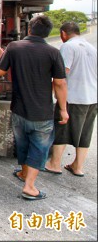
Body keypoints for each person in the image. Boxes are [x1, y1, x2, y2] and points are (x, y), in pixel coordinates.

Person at [0, 14, 68, 201]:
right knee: (39, 148)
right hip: (42, 111)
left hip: (19, 108)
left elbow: (0, 71)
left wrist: (0, 56)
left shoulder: (14, 47)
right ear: (48, 33)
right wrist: (63, 109)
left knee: (23, 144)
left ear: (29, 29)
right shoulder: (53, 52)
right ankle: (29, 186)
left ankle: (23, 173)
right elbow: (59, 83)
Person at [45, 21, 97, 177]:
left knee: (62, 130)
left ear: (63, 34)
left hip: (73, 97)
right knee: (85, 133)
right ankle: (77, 166)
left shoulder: (68, 47)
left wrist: (52, 93)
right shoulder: (92, 48)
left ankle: (54, 164)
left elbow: (62, 75)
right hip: (92, 98)